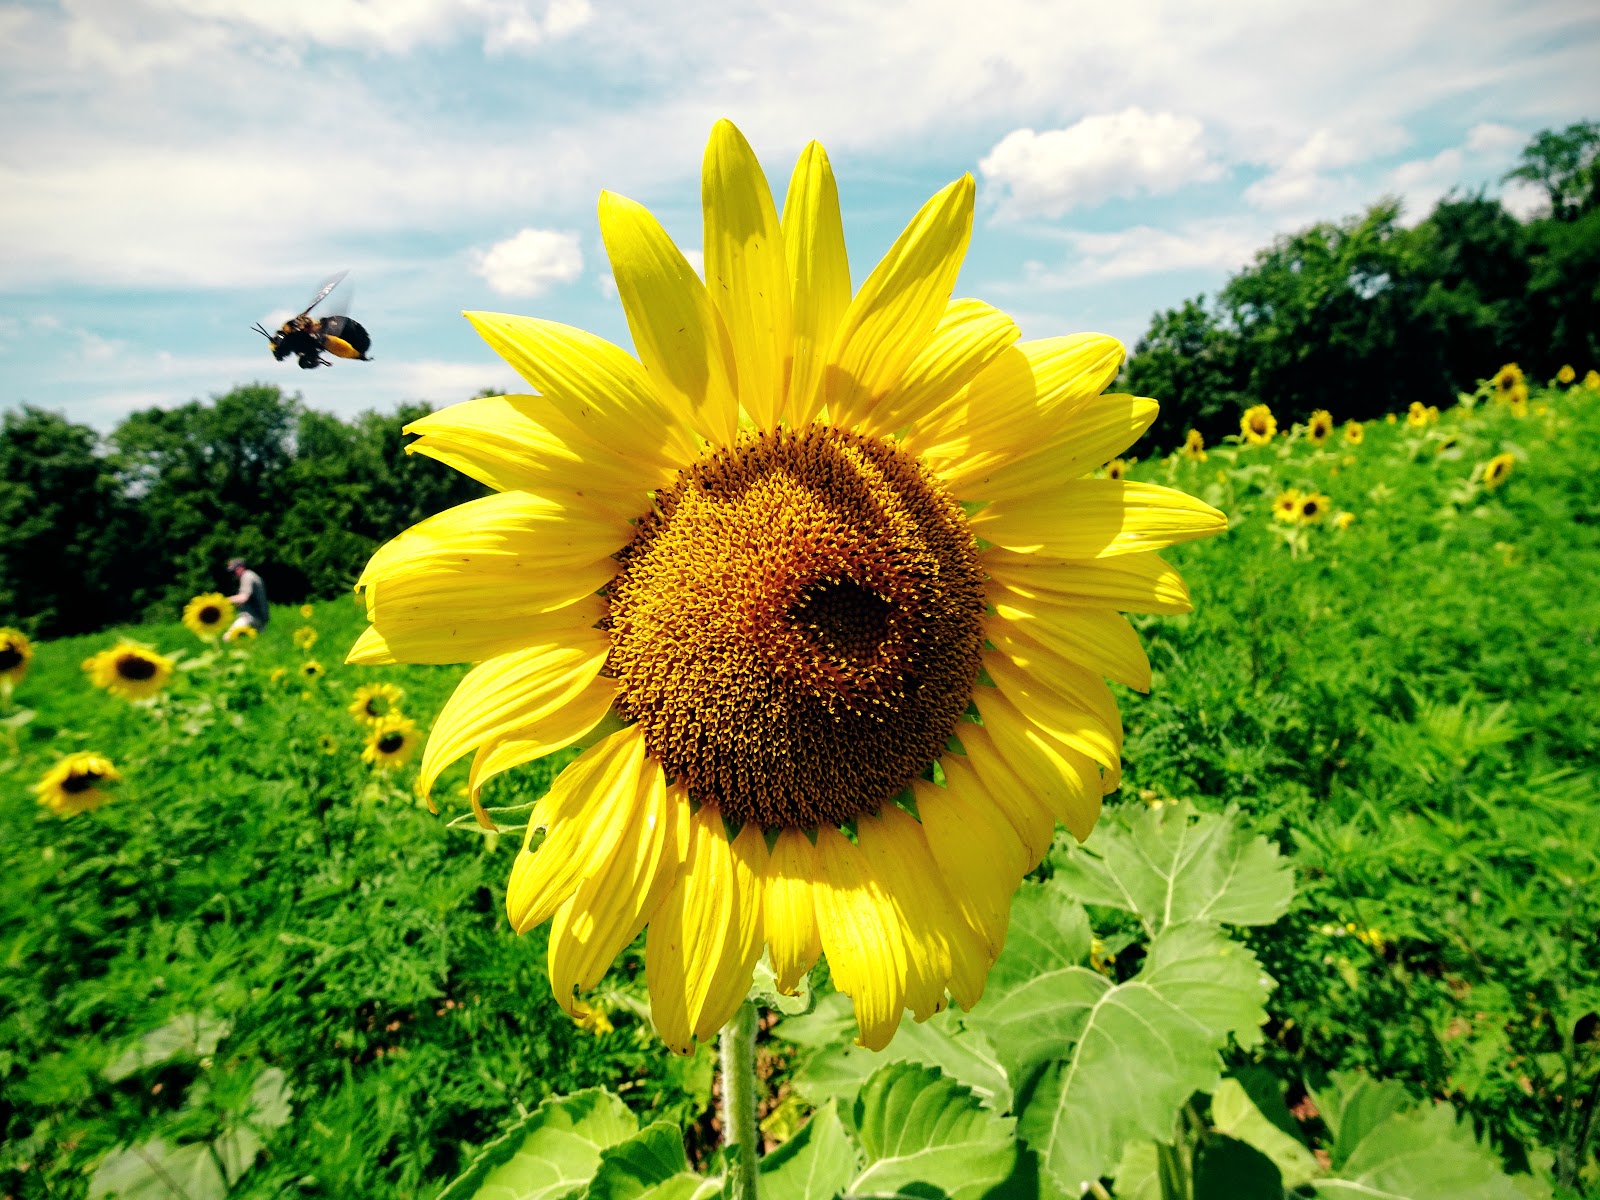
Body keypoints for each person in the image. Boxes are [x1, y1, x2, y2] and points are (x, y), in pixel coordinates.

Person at [224, 557, 270, 640]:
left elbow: (244, 597)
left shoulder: (247, 576)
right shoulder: (253, 576)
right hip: (261, 618)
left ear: (241, 567)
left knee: (228, 638)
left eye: (234, 570)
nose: (234, 574)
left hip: (250, 617)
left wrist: (224, 601)